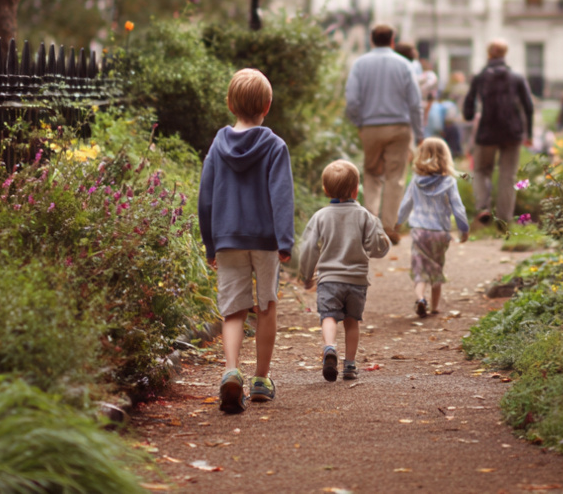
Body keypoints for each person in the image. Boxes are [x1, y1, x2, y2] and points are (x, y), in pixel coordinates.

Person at [198, 68, 295, 414]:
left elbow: (205, 197)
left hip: (227, 237)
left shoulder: (218, 145)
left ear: (229, 104)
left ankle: (230, 371)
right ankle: (260, 380)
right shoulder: (274, 146)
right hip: (265, 239)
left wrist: (210, 242)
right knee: (266, 305)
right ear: (267, 106)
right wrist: (285, 241)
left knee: (233, 309)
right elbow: (281, 196)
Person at [296, 160, 391, 382]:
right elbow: (378, 248)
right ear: (356, 189)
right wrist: (382, 235)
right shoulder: (366, 216)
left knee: (328, 316)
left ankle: (329, 347)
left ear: (325, 190)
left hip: (329, 279)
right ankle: (349, 365)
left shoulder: (320, 216)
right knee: (352, 321)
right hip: (357, 281)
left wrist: (306, 275)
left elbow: (308, 247)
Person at [345, 24, 425, 243]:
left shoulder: (359, 64)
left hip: (370, 126)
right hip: (400, 127)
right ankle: (389, 227)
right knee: (395, 177)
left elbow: (351, 100)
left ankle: (370, 226)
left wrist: (359, 123)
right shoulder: (405, 65)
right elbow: (415, 103)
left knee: (372, 174)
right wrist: (419, 133)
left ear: (371, 40)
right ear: (392, 40)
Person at [462, 40, 534, 226]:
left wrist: (469, 115)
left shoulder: (480, 77)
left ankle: (483, 207)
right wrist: (530, 134)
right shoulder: (516, 77)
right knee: (507, 175)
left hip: (487, 131)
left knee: (480, 170)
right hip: (512, 132)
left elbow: (469, 104)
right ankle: (504, 220)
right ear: (504, 54)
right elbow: (529, 106)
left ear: (489, 54)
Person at [396, 137, 469, 318]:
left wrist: (398, 223)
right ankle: (435, 307)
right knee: (436, 267)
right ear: (445, 157)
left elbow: (406, 204)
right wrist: (464, 229)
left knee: (420, 268)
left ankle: (421, 298)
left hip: (419, 231)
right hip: (440, 232)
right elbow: (457, 208)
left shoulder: (415, 180)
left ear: (421, 156)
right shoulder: (449, 182)